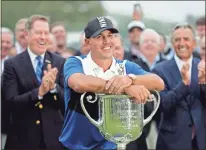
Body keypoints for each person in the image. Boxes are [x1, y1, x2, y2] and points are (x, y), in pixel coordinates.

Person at [59, 16, 164, 150]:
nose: (107, 41)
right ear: (87, 41)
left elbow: (158, 82)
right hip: (75, 146)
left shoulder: (126, 66)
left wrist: (130, 79)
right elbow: (78, 83)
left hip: (113, 146)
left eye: (110, 35)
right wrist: (125, 89)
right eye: (99, 37)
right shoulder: (76, 62)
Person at [2, 14, 65, 149]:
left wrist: (54, 87)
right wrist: (39, 92)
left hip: (54, 140)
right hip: (22, 140)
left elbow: (68, 103)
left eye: (46, 33)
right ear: (27, 34)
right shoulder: (12, 64)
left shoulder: (59, 62)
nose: (43, 37)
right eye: (38, 32)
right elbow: (10, 104)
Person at [153, 23, 206, 150]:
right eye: (177, 39)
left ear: (194, 43)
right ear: (172, 43)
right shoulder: (159, 70)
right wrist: (184, 84)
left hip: (201, 141)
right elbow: (163, 105)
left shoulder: (203, 67)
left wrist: (203, 83)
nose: (182, 43)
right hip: (171, 143)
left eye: (186, 39)